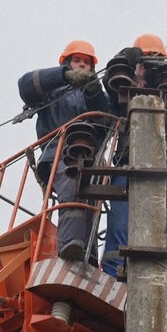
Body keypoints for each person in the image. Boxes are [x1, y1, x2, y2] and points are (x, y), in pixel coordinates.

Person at [100, 34, 167, 317]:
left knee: (163, 231)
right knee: (119, 226)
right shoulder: (123, 90)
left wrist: (151, 75)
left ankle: (166, 292)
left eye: (154, 59)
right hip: (128, 162)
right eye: (146, 59)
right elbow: (109, 85)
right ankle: (113, 283)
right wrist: (127, 58)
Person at [18, 40, 109, 261]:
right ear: (67, 63)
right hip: (58, 154)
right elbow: (26, 84)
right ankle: (70, 245)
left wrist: (94, 90)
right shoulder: (52, 92)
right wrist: (63, 76)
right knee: (71, 183)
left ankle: (89, 254)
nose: (82, 65)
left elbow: (107, 119)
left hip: (90, 159)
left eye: (86, 63)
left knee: (91, 201)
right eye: (77, 61)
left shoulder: (96, 96)